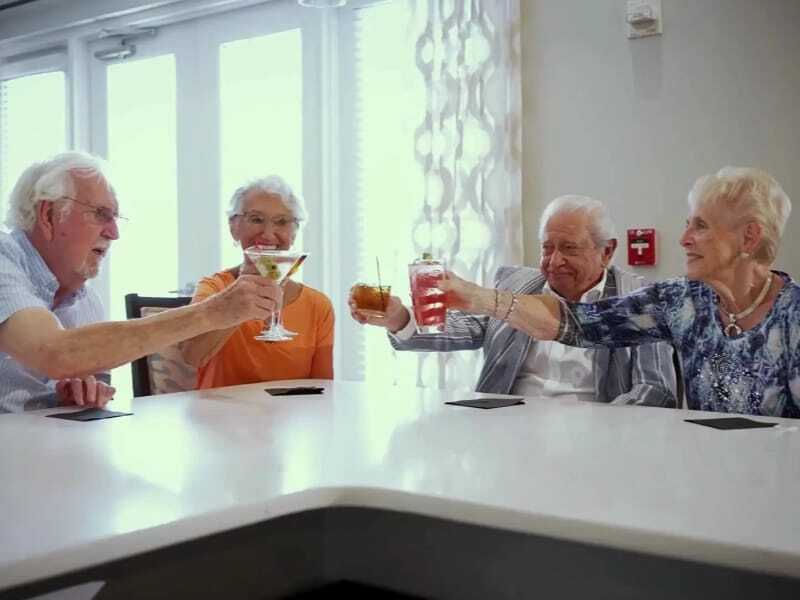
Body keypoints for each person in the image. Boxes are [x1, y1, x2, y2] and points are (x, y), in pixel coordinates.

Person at [440, 168, 799, 418]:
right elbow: (576, 324)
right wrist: (479, 298)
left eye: (700, 226)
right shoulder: (680, 302)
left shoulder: (793, 316)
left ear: (749, 238)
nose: (684, 238)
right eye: (688, 223)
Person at [0, 152, 279, 413]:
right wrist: (212, 312)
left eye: (115, 218)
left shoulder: (86, 302)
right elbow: (56, 353)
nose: (114, 232)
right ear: (49, 215)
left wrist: (79, 394)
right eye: (100, 214)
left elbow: (82, 382)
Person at [350, 196, 676, 406]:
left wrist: (607, 426)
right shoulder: (517, 284)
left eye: (570, 248)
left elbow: (656, 388)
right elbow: (464, 329)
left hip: (592, 435)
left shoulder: (639, 299)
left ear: (607, 251)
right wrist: (399, 318)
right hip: (506, 428)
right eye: (547, 247)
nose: (554, 261)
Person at [180, 176, 334, 388]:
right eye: (256, 219)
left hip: (292, 418)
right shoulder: (214, 288)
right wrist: (236, 304)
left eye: (281, 222)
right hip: (221, 416)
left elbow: (323, 389)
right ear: (234, 227)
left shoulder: (318, 305)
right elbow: (192, 356)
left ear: (295, 232)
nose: (268, 234)